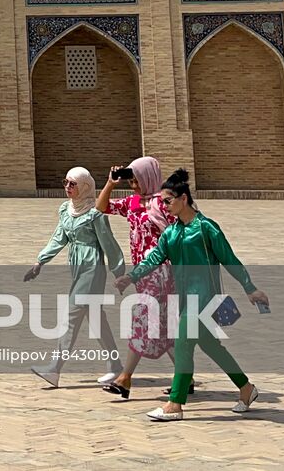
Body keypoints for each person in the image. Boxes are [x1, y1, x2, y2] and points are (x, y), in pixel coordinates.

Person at [117, 169, 269, 421]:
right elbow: (154, 258)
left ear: (183, 198)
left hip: (204, 297)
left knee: (182, 343)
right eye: (162, 202)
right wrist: (131, 276)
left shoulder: (206, 228)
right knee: (211, 346)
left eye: (168, 201)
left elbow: (230, 259)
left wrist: (250, 287)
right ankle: (246, 388)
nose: (164, 206)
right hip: (183, 298)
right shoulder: (171, 233)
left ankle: (175, 404)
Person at [23, 166, 126, 388]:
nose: (68, 188)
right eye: (66, 183)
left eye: (73, 184)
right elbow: (59, 238)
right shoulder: (65, 210)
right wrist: (40, 261)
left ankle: (54, 369)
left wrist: (120, 273)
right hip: (77, 268)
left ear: (85, 187)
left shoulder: (94, 214)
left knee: (72, 316)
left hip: (92, 269)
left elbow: (109, 243)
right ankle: (116, 366)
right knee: (96, 319)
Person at [93, 155, 178, 399]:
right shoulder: (133, 202)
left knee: (141, 319)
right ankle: (186, 375)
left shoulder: (164, 203)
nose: (133, 185)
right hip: (141, 272)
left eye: (136, 180)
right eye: (130, 181)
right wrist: (110, 183)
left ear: (149, 176)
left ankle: (124, 378)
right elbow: (102, 207)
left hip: (162, 271)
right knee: (164, 326)